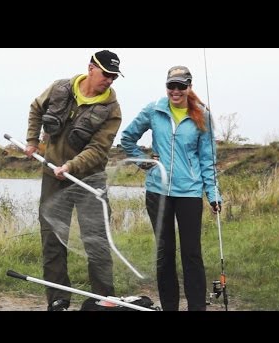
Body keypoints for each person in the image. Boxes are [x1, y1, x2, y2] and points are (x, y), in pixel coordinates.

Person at [24, 50, 123, 311]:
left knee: (96, 240)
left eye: (114, 77)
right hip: (53, 177)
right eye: (106, 74)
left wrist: (71, 165)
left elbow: (98, 150)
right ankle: (58, 299)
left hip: (90, 180)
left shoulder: (112, 110)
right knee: (52, 238)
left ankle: (103, 299)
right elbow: (36, 107)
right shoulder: (60, 88)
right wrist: (32, 141)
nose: (110, 80)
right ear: (91, 68)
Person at [121, 65, 222, 311]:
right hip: (158, 192)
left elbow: (207, 160)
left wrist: (213, 194)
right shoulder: (153, 110)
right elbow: (127, 138)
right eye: (171, 86)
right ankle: (169, 307)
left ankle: (197, 307)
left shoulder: (202, 115)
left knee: (191, 254)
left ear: (189, 87)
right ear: (166, 86)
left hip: (189, 192)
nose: (175, 91)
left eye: (181, 86)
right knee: (165, 254)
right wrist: (146, 162)